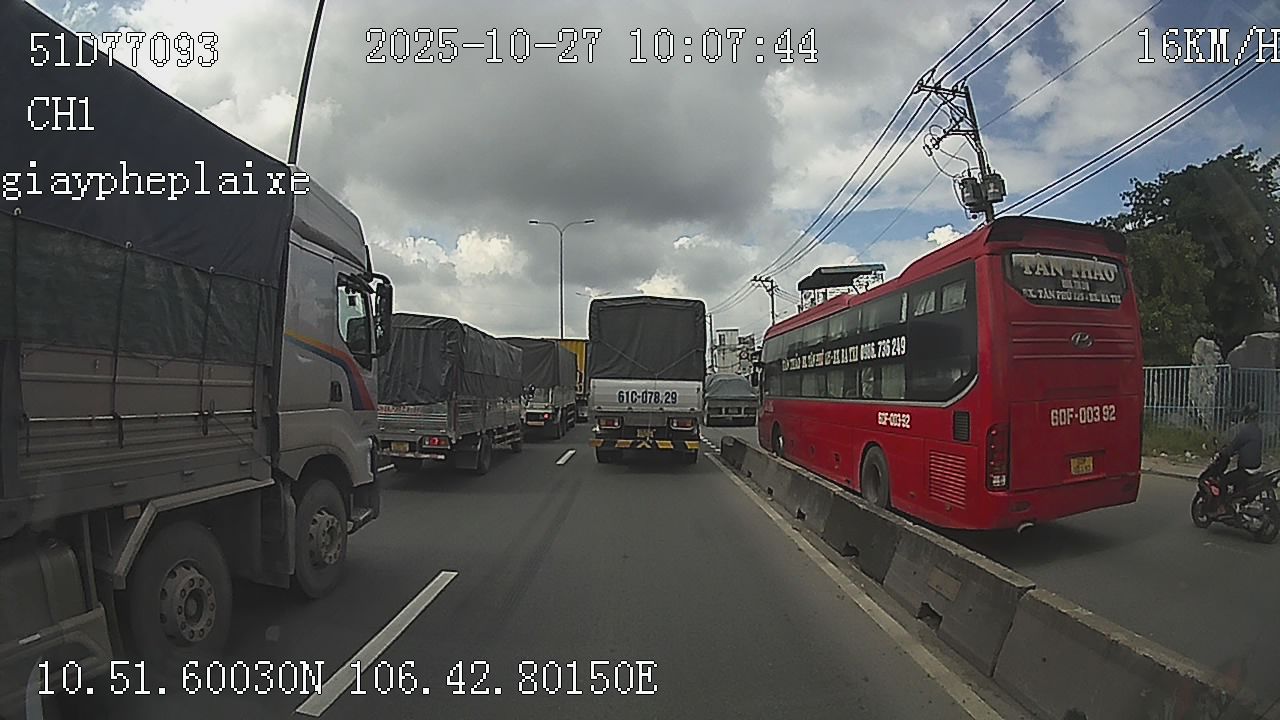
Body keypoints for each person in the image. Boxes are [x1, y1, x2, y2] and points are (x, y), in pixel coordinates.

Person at [1214, 401, 1263, 512]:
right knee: (1236, 481)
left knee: (1223, 480)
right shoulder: (1258, 430)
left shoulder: (1245, 431)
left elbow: (1234, 446)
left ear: (1246, 416)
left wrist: (1223, 452)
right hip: (1257, 468)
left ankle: (1223, 507)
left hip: (1246, 470)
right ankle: (1237, 503)